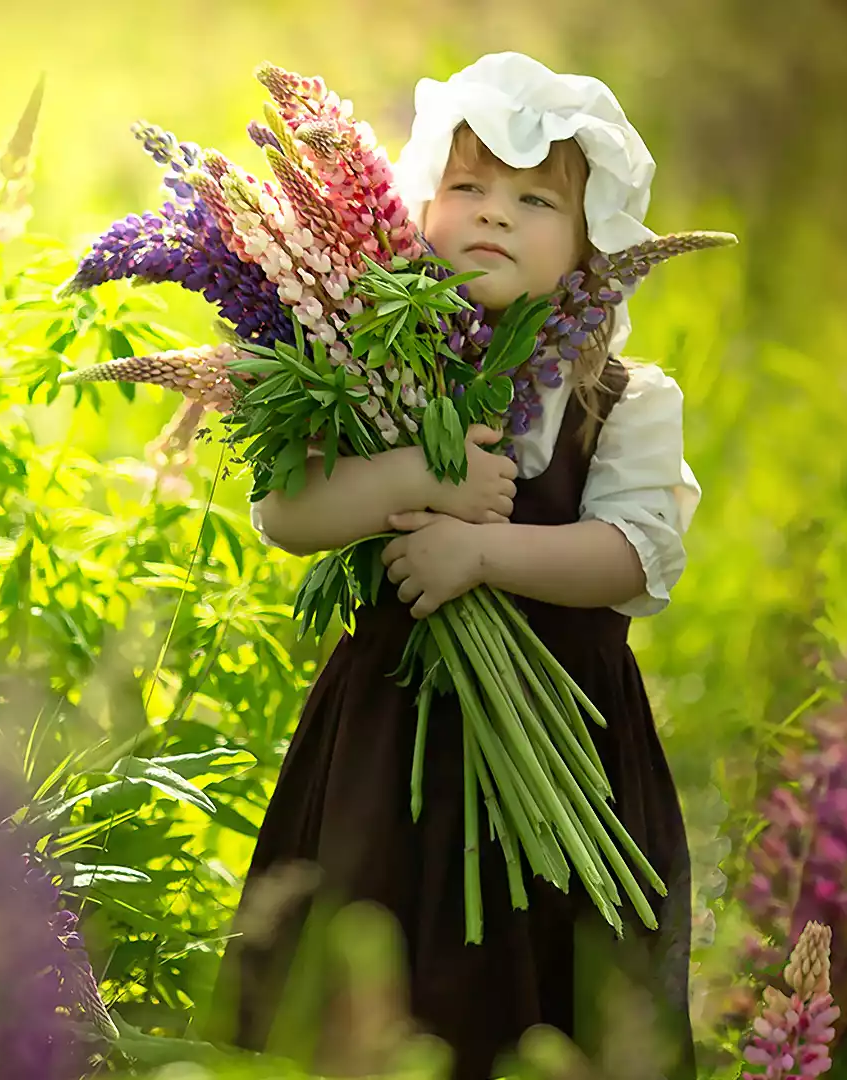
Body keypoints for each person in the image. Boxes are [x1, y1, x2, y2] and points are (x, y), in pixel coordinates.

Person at [218, 51, 704, 1080]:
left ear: (590, 248)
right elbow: (286, 513)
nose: (493, 215)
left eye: (535, 200)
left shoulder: (623, 394)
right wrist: (419, 476)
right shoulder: (372, 363)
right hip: (385, 744)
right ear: (417, 210)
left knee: (546, 974)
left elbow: (632, 558)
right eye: (468, 188)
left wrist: (481, 550)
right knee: (367, 959)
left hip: (570, 728)